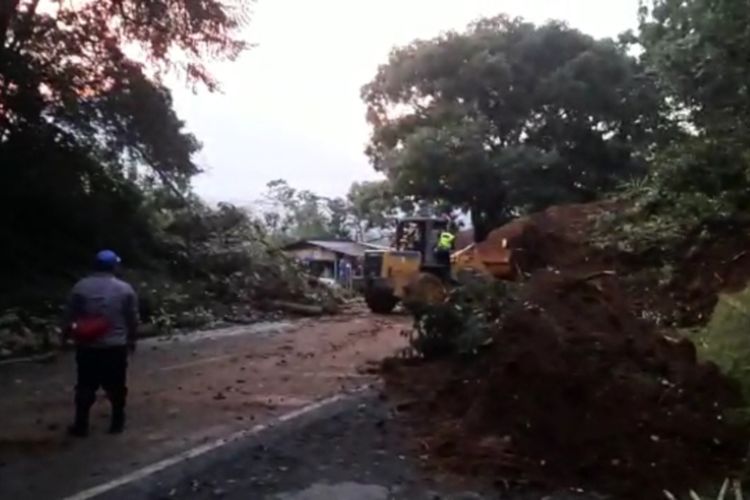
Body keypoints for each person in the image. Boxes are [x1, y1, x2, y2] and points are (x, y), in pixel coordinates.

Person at [63, 250, 138, 437]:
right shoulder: (124, 289)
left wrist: (64, 337)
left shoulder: (80, 287)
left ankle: (81, 425)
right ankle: (117, 423)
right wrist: (132, 339)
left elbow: (69, 316)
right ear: (114, 266)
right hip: (115, 346)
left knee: (85, 386)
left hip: (87, 345)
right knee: (116, 386)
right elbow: (132, 318)